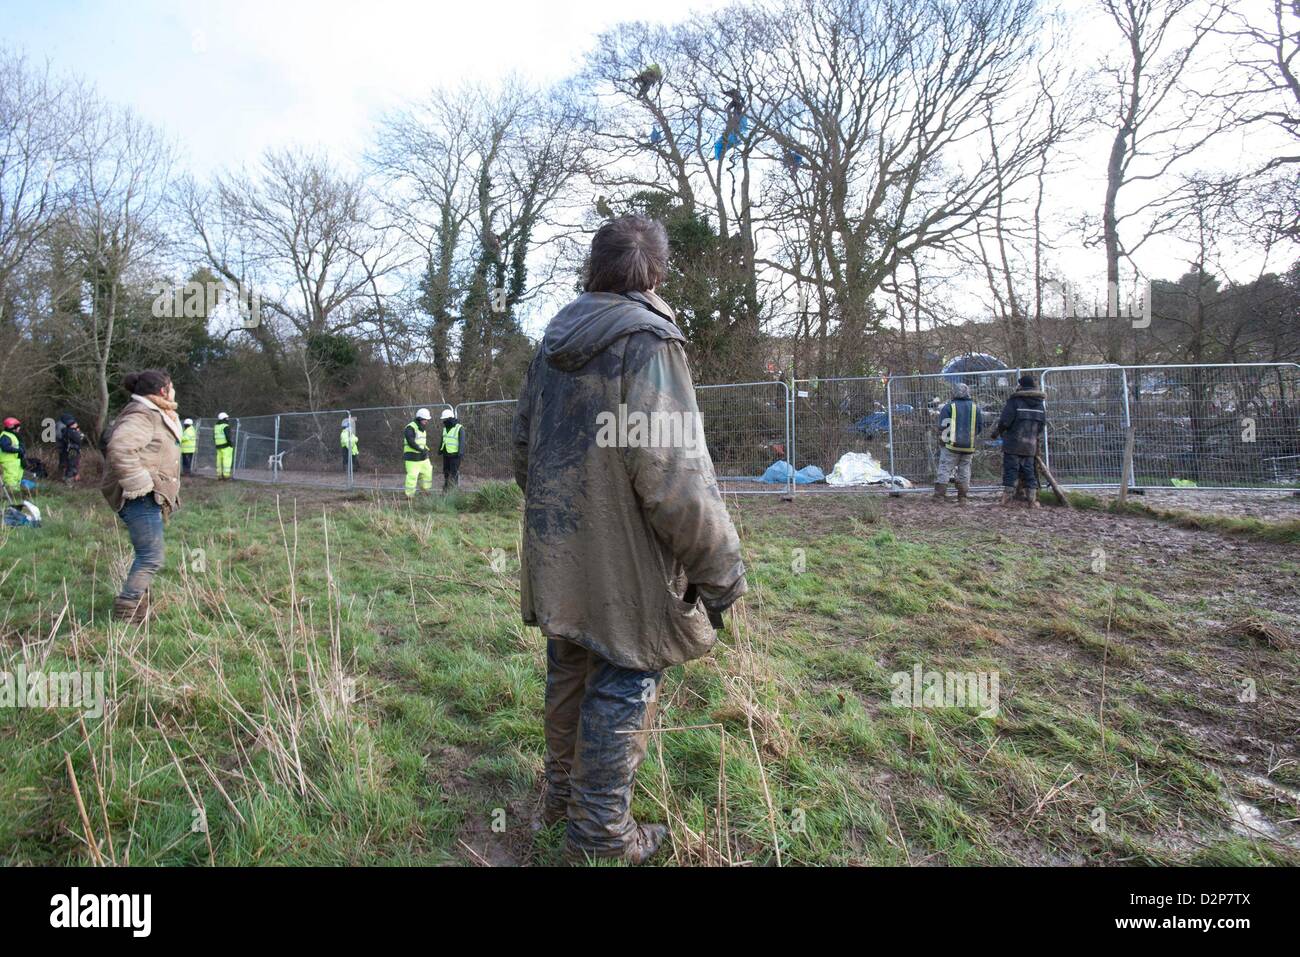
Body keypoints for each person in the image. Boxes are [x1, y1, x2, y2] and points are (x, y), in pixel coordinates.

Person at [512, 215, 747, 865]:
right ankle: (598, 832)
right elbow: (676, 479)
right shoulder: (648, 342)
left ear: (593, 267)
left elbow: (524, 449)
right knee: (626, 669)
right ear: (658, 275)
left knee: (570, 667)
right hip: (626, 560)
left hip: (560, 547)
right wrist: (722, 571)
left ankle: (560, 802)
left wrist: (564, 519)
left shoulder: (555, 342)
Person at [100, 369, 182, 623]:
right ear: (162, 390)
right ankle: (128, 612)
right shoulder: (143, 414)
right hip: (140, 496)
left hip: (149, 495)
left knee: (148, 554)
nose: (173, 390)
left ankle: (139, 607)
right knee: (151, 556)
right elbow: (120, 448)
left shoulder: (154, 412)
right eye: (171, 386)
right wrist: (140, 483)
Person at [991, 374, 1047, 508]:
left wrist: (997, 433)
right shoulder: (1040, 405)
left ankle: (1006, 499)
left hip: (1013, 443)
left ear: (1020, 386)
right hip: (1030, 445)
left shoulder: (1014, 401)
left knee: (1011, 469)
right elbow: (1041, 425)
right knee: (1029, 471)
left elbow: (1005, 421)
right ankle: (1032, 500)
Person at [933, 383, 985, 505]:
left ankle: (939, 496)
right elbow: (979, 428)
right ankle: (963, 497)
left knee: (945, 469)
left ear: (954, 392)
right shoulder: (975, 408)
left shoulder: (948, 407)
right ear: (968, 392)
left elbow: (944, 426)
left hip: (951, 446)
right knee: (965, 470)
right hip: (969, 446)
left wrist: (943, 442)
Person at [403, 408, 433, 498]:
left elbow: (421, 442)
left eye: (428, 420)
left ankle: (425, 492)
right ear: (419, 419)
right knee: (412, 477)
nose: (427, 421)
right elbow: (411, 442)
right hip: (412, 458)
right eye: (425, 420)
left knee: (427, 473)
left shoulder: (422, 429)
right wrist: (421, 450)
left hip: (423, 457)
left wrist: (425, 449)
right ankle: (409, 496)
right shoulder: (410, 428)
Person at [0, 417, 28, 496]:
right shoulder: (5, 436)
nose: (19, 428)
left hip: (15, 461)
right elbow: (5, 447)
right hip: (9, 462)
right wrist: (18, 450)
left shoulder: (13, 435)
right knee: (10, 479)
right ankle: (11, 495)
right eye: (18, 426)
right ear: (12, 427)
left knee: (17, 479)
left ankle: (16, 495)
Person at [438, 408, 462, 491]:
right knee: (446, 472)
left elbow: (462, 441)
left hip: (455, 455)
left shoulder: (459, 427)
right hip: (446, 454)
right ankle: (446, 489)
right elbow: (443, 439)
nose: (444, 420)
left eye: (445, 418)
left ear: (449, 418)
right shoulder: (445, 428)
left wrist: (460, 452)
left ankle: (453, 490)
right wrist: (440, 449)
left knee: (454, 473)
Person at [57, 413, 85, 483]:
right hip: (73, 450)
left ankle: (69, 477)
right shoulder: (71, 431)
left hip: (71, 449)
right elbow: (79, 439)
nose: (76, 424)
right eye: (75, 423)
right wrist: (79, 433)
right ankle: (68, 479)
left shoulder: (67, 431)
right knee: (72, 464)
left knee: (71, 464)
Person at [213, 412, 233, 479]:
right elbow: (228, 437)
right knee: (227, 460)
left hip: (218, 446)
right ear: (224, 418)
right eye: (227, 418)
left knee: (219, 461)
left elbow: (214, 437)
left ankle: (219, 475)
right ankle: (226, 475)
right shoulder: (225, 426)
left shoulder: (216, 426)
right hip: (226, 446)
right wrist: (230, 444)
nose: (228, 419)